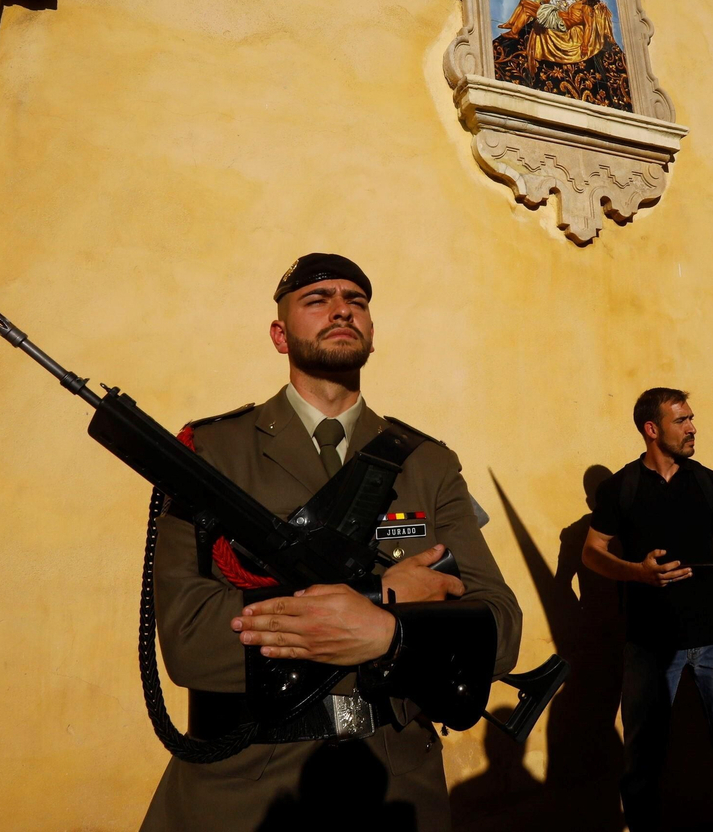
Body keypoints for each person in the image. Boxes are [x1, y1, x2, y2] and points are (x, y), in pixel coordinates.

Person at [139, 253, 522, 832]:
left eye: (357, 301)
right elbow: (191, 639)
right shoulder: (211, 455)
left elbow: (498, 628)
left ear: (371, 333)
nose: (342, 308)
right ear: (280, 334)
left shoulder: (427, 462)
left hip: (398, 784)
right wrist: (378, 601)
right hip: (246, 790)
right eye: (316, 300)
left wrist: (385, 631)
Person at [581, 388, 713, 832]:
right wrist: (636, 573)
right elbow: (592, 553)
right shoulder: (619, 488)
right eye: (681, 421)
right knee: (641, 766)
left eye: (691, 418)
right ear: (651, 429)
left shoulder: (708, 482)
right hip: (649, 645)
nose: (692, 427)